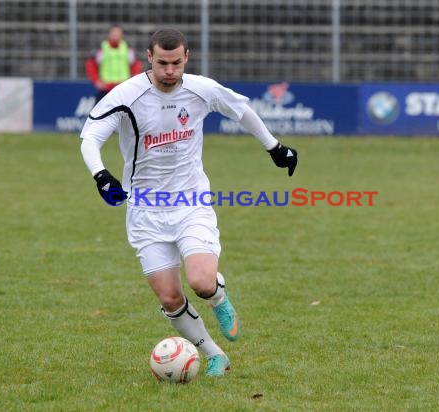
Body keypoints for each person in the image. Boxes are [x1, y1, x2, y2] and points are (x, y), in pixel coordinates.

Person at [80, 28, 298, 377]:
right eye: (162, 63)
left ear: (187, 58)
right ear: (149, 58)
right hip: (145, 210)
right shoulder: (127, 96)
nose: (170, 71)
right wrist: (101, 175)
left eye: (176, 63)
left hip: (190, 201)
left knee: (201, 281)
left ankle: (217, 297)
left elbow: (241, 110)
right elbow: (90, 136)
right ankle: (214, 355)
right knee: (169, 298)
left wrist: (274, 147)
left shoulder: (201, 89)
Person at [85, 25, 143, 103]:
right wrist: (96, 81)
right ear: (109, 34)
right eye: (114, 32)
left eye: (118, 32)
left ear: (122, 34)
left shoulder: (128, 48)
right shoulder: (101, 48)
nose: (116, 34)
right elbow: (90, 65)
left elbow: (136, 64)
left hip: (123, 88)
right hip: (106, 89)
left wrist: (132, 80)